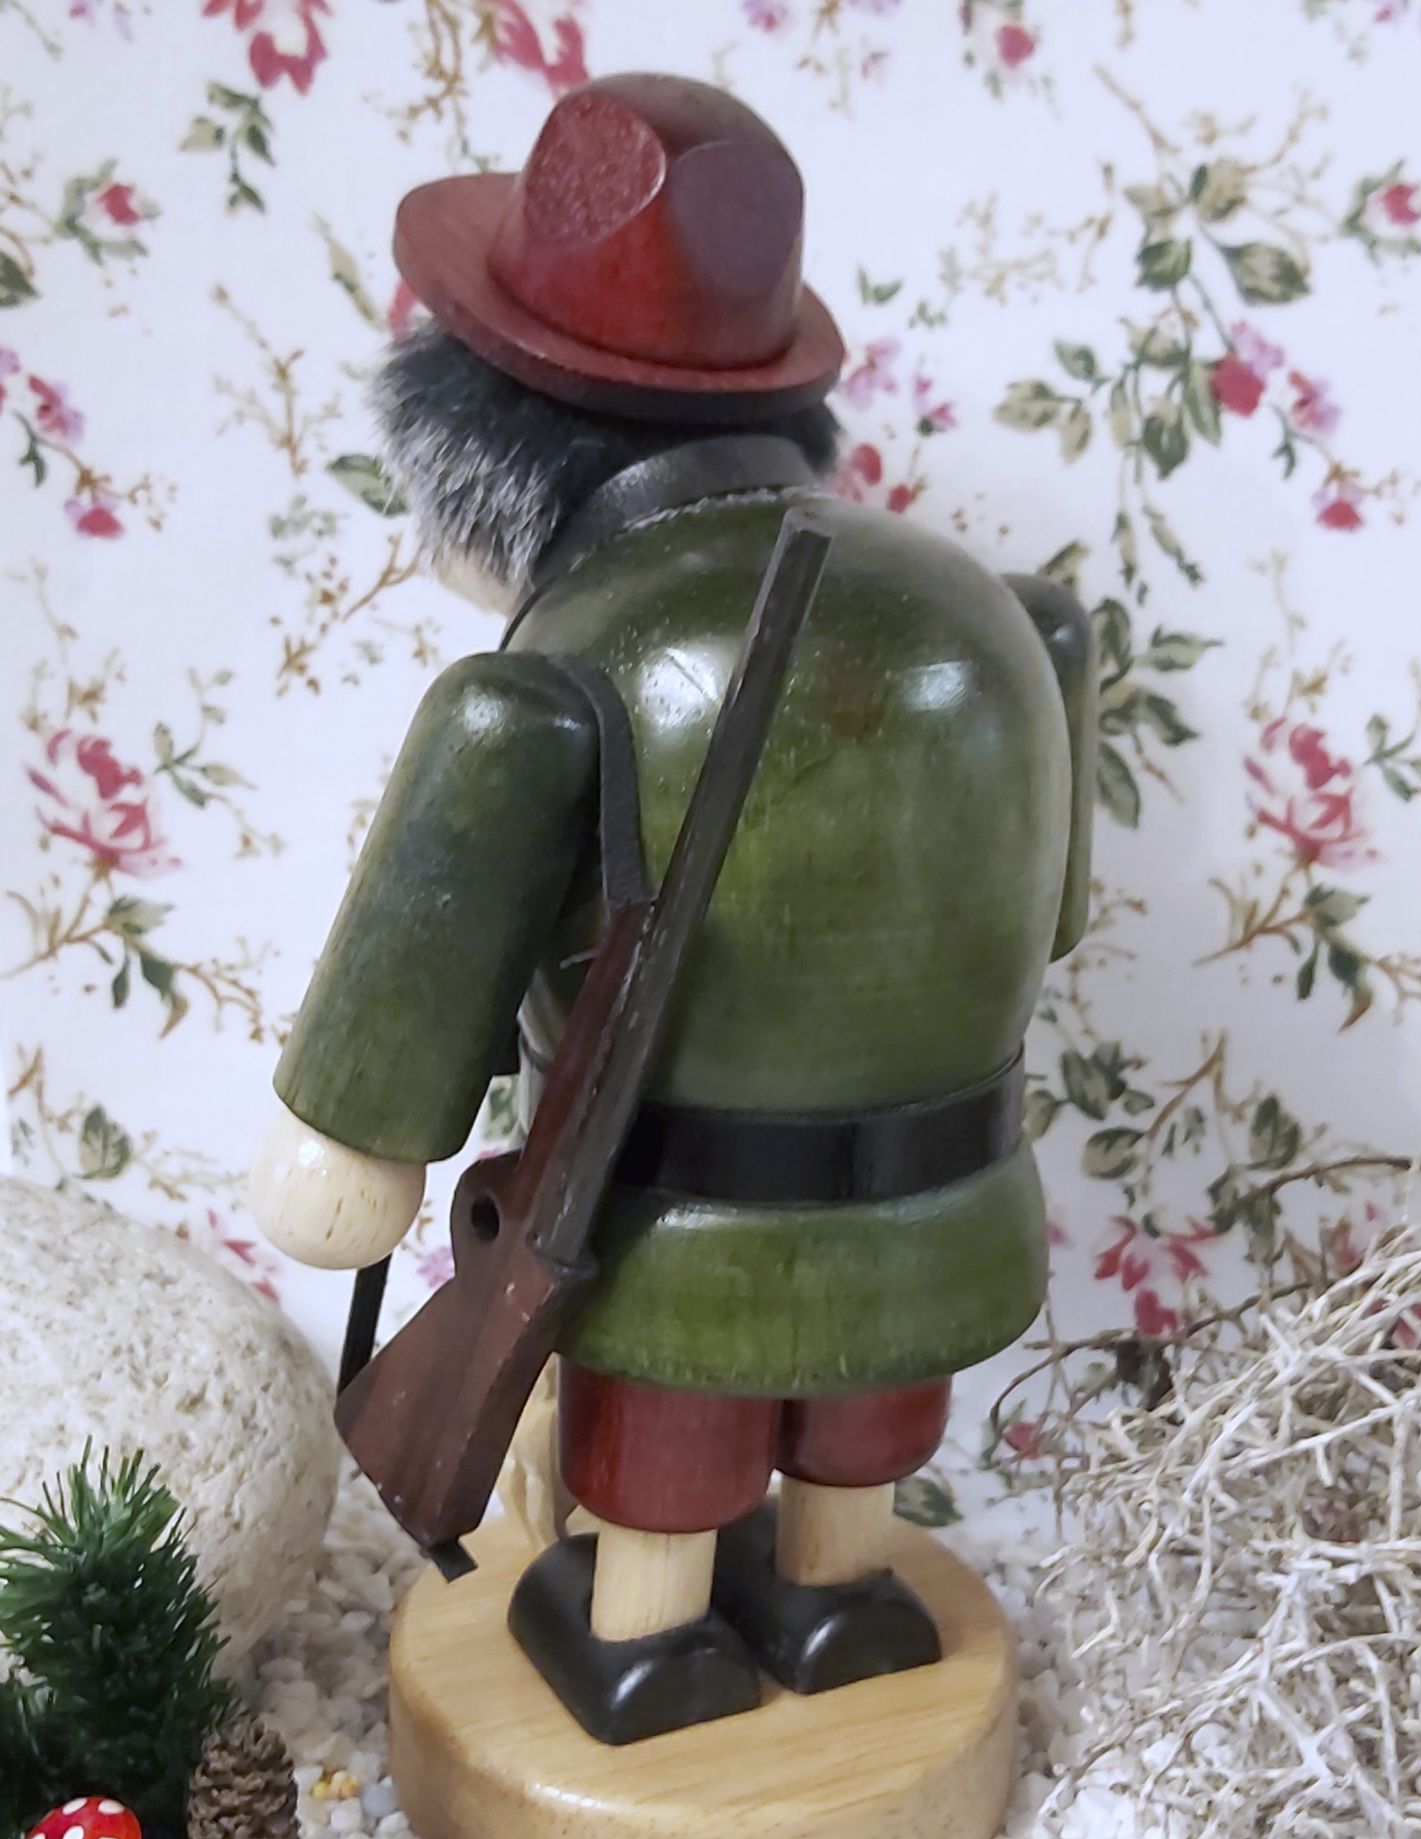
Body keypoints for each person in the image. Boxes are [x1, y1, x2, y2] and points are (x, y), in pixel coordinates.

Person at [250, 71, 1096, 1744]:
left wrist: (350, 1148)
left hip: (669, 1238)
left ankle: (650, 1639)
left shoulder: (557, 672)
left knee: (667, 1446)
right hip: (949, 1201)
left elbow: (404, 1024)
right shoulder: (1000, 622)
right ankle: (842, 1597)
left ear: (475, 445)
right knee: (859, 1439)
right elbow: (1054, 925)